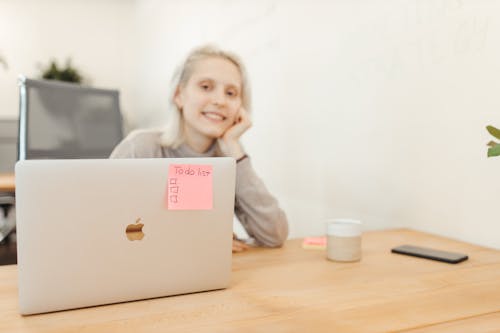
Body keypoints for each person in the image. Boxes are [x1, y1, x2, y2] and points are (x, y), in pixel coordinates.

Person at [110, 45, 288, 252]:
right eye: (205, 87)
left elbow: (274, 234)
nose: (220, 101)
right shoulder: (140, 149)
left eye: (231, 93)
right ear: (179, 95)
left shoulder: (228, 160)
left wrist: (235, 150)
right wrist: (196, 240)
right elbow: (105, 228)